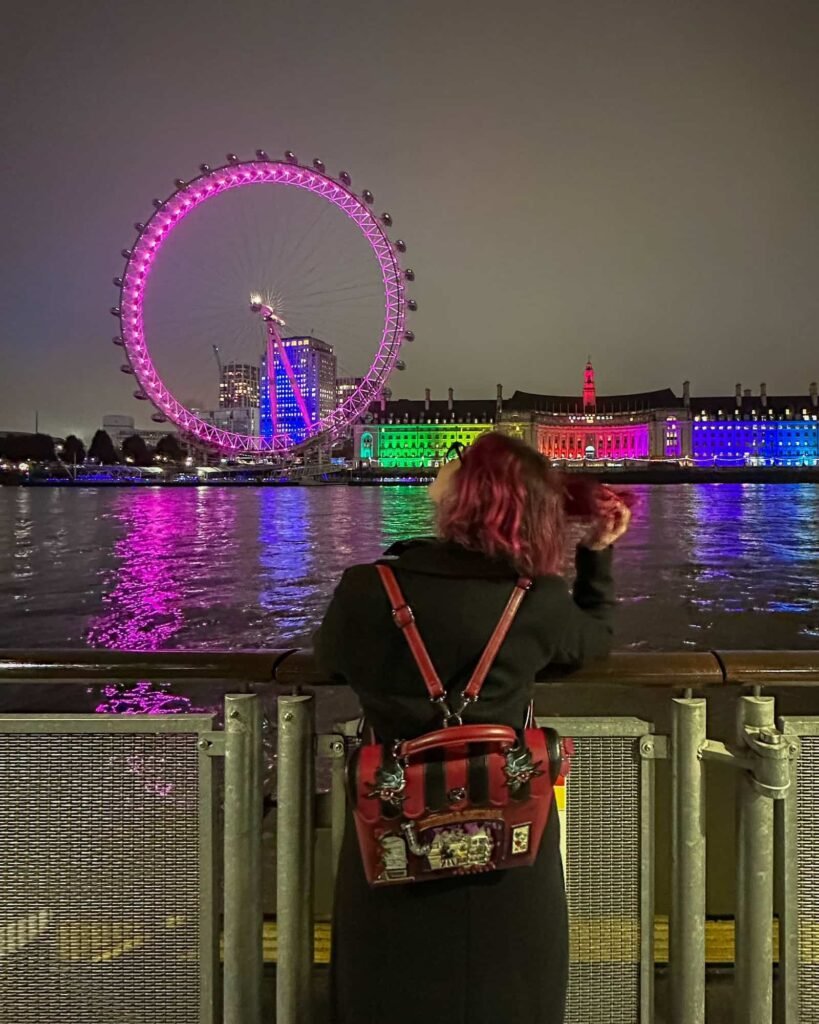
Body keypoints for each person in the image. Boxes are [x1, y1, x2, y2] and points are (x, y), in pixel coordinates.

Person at [314, 431, 631, 1024]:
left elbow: (329, 658)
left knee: (384, 992)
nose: (443, 462)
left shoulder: (367, 589)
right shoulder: (537, 601)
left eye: (456, 458)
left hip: (391, 831)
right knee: (511, 993)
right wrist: (597, 556)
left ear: (470, 493)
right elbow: (595, 644)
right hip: (509, 834)